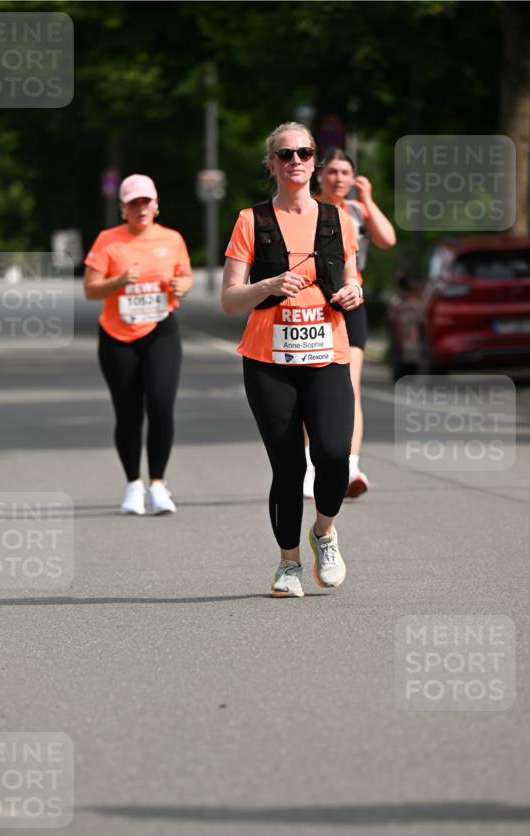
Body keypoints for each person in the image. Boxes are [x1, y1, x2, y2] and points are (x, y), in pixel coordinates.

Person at [222, 122, 362, 597]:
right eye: (285, 154)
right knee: (287, 467)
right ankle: (288, 564)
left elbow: (351, 277)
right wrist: (268, 284)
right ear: (272, 164)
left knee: (334, 454)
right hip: (268, 361)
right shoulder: (251, 220)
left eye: (303, 153)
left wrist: (353, 291)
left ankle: (324, 531)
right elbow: (230, 298)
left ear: (314, 161)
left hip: (327, 356)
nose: (295, 160)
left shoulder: (337, 218)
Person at [84, 174, 192, 515]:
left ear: (155, 204)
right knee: (128, 412)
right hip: (117, 337)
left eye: (146, 201)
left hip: (160, 331)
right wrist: (118, 281)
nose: (141, 208)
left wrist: (182, 286)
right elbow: (90, 289)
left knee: (161, 404)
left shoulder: (172, 239)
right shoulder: (108, 241)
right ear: (123, 208)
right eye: (133, 203)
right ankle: (133, 485)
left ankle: (157, 485)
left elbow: (185, 276)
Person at [304, 148, 396, 499]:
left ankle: (351, 466)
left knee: (350, 387)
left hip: (352, 302)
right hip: (315, 305)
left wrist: (368, 200)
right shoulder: (308, 209)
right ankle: (310, 467)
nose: (338, 178)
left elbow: (388, 239)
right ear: (319, 176)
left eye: (345, 173)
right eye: (331, 172)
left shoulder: (357, 211)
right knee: (312, 389)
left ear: (353, 178)